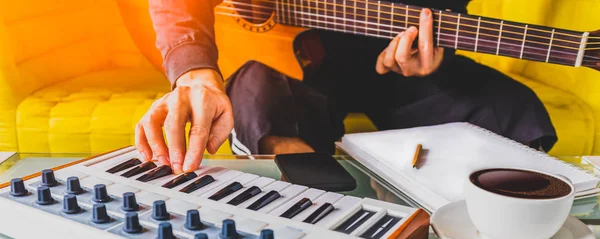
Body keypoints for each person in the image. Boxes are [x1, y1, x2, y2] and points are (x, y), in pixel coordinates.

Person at [136, 0, 558, 174]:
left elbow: (445, 12)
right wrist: (194, 69)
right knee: (254, 96)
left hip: (398, 65)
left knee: (507, 107)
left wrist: (436, 40)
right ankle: (313, 212)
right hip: (295, 68)